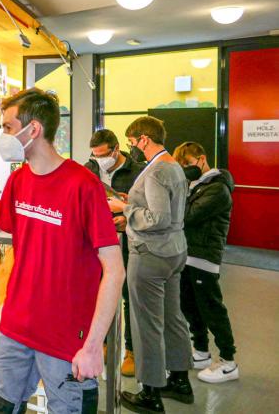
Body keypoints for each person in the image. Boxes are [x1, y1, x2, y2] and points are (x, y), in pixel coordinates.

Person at [0, 88, 124, 414]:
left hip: (67, 338)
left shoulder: (83, 185)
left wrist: (92, 346)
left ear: (33, 130)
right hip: (16, 327)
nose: (3, 135)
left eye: (7, 127)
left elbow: (115, 270)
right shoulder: (19, 180)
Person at [107, 116, 193, 413]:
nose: (133, 148)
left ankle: (151, 392)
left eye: (133, 142)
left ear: (144, 138)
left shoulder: (155, 171)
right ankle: (180, 380)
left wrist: (124, 207)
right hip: (174, 250)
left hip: (151, 254)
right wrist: (131, 208)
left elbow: (158, 219)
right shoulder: (174, 167)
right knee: (172, 316)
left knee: (147, 325)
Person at [173, 141, 238, 383]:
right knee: (190, 306)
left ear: (201, 159)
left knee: (212, 309)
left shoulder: (217, 188)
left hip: (204, 257)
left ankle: (229, 361)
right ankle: (201, 351)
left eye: (188, 164)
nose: (187, 169)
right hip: (187, 255)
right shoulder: (195, 185)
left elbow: (188, 216)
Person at [84, 128, 145, 376]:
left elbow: (146, 207)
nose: (99, 160)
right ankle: (103, 343)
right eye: (95, 155)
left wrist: (125, 217)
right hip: (98, 243)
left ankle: (131, 350)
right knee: (99, 293)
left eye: (103, 155)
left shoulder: (138, 172)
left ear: (116, 149)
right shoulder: (88, 169)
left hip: (129, 243)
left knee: (129, 296)